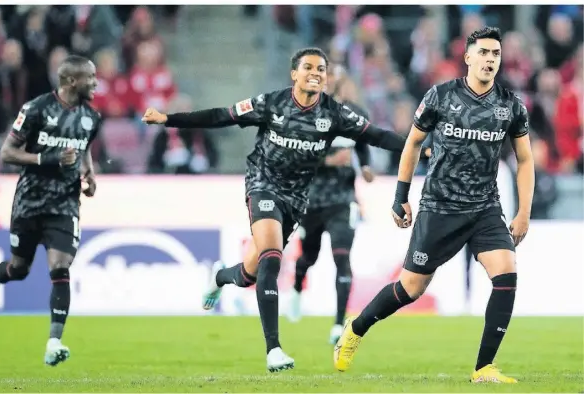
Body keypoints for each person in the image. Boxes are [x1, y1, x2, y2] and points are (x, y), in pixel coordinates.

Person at [142, 47, 427, 372]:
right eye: (308, 67)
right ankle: (273, 349)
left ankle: (220, 276)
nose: (316, 73)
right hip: (262, 184)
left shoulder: (334, 113)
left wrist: (418, 146)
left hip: (297, 198)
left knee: (250, 273)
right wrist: (168, 119)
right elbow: (221, 115)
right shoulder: (270, 104)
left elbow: (375, 135)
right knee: (272, 255)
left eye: (321, 69)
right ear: (294, 74)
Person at [333, 27, 534, 385]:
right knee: (411, 288)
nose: (490, 59)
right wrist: (400, 196)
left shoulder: (510, 106)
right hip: (440, 207)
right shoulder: (441, 96)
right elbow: (412, 145)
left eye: (496, 54)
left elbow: (525, 159)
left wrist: (523, 212)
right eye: (484, 52)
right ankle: (356, 328)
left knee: (506, 273)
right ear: (468, 57)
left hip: (485, 207)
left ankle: (484, 367)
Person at [0, 55, 101, 367]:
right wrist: (50, 159)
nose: (96, 83)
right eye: (90, 78)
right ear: (72, 81)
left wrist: (89, 174)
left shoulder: (92, 117)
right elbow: (7, 152)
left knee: (60, 267)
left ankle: (53, 343)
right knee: (19, 268)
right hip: (29, 202)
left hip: (65, 204)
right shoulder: (36, 109)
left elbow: (82, 149)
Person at [284, 64, 373, 344]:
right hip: (311, 199)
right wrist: (327, 160)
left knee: (342, 258)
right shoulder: (303, 113)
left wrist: (367, 167)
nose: (330, 82)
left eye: (335, 77)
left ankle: (337, 324)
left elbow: (363, 146)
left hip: (343, 199)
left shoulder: (354, 113)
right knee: (307, 258)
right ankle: (297, 288)